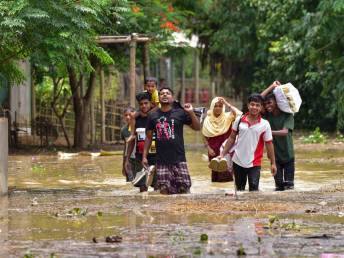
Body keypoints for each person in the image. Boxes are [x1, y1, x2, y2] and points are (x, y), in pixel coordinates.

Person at [142, 87, 201, 194]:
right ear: (158, 98)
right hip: (161, 161)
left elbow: (197, 128)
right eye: (162, 94)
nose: (164, 95)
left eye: (167, 93)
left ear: (172, 98)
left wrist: (191, 113)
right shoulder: (152, 115)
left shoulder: (180, 113)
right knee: (164, 190)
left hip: (179, 159)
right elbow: (149, 137)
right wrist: (144, 156)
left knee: (184, 189)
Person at [220, 93, 277, 191]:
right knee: (239, 189)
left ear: (261, 107)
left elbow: (269, 144)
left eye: (257, 105)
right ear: (248, 105)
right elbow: (231, 138)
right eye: (252, 104)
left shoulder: (265, 124)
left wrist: (273, 163)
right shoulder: (239, 120)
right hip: (237, 161)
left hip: (254, 163)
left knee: (254, 190)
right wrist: (222, 154)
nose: (254, 107)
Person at [262, 81, 295, 191]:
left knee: (289, 187)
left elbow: (285, 132)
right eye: (265, 104)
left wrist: (268, 132)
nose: (267, 106)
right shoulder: (267, 116)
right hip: (275, 158)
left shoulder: (288, 115)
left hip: (288, 156)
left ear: (276, 102)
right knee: (279, 187)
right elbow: (258, 98)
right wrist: (272, 86)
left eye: (269, 103)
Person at [202, 97, 242, 182]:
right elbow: (204, 135)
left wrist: (226, 103)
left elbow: (239, 114)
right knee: (215, 177)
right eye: (215, 106)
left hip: (226, 149)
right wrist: (208, 149)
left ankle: (226, 193)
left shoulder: (228, 117)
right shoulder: (207, 119)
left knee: (226, 176)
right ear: (212, 107)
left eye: (220, 106)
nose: (218, 108)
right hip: (213, 150)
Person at [125, 92, 157, 192]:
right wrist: (127, 159)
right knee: (142, 187)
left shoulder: (156, 117)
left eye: (146, 103)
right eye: (141, 104)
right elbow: (132, 140)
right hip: (140, 157)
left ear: (151, 103)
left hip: (157, 156)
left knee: (158, 186)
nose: (144, 106)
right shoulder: (135, 119)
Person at [120, 107, 135, 182]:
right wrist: (123, 165)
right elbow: (125, 147)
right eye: (126, 115)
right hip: (129, 159)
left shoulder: (139, 126)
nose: (128, 117)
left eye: (130, 114)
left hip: (138, 158)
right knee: (130, 182)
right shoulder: (124, 130)